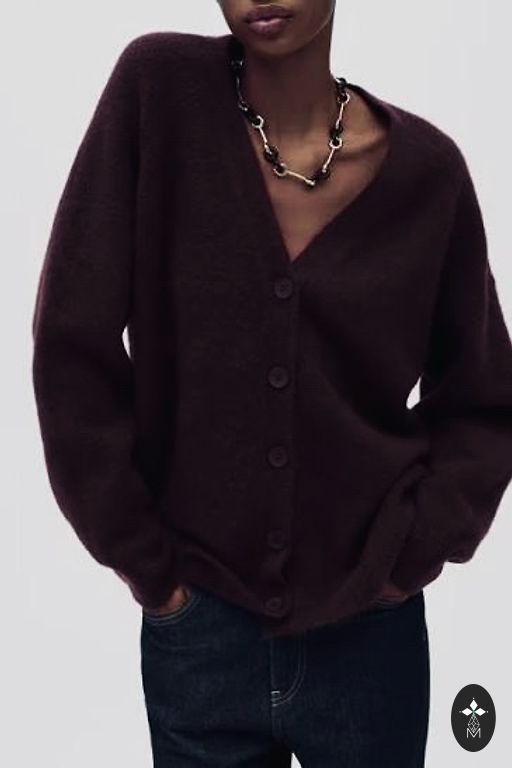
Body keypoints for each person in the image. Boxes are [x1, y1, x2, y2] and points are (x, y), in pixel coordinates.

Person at [32, 1, 512, 765]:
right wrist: (148, 566)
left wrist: (412, 555)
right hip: (199, 633)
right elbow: (72, 343)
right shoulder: (159, 96)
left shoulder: (429, 177)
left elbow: (482, 404)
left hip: (370, 641)